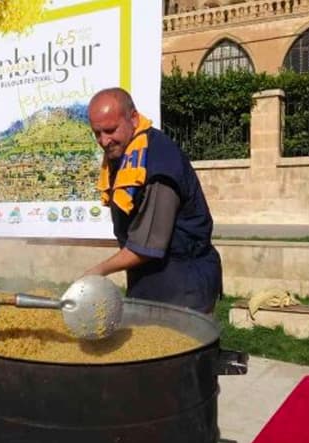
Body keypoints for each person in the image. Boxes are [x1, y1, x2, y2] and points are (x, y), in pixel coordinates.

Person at [84, 87, 222, 314]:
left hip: (182, 286)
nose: (104, 141)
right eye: (97, 133)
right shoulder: (125, 155)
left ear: (134, 119)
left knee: (180, 348)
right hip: (150, 282)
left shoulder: (159, 165)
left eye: (110, 130)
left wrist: (96, 271)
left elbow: (146, 246)